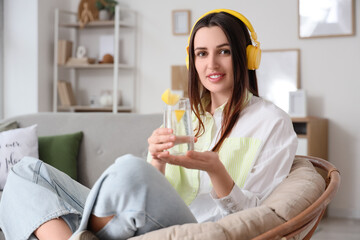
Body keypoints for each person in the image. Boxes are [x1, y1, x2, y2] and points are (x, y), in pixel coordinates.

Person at [0, 8, 297, 240]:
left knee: (129, 169)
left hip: (196, 227)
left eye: (224, 51)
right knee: (24, 172)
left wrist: (217, 171)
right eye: (201, 54)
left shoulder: (271, 122)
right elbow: (151, 193)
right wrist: (156, 162)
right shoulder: (188, 117)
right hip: (146, 220)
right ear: (192, 61)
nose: (211, 65)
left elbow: (259, 215)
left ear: (248, 57)